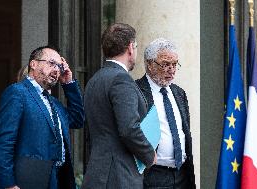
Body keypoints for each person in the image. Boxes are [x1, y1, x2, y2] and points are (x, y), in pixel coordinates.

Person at [0, 46, 85, 189]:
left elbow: (78, 119)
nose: (56, 69)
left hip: (57, 179)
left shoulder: (55, 104)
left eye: (59, 66)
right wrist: (8, 184)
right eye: (51, 63)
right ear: (33, 64)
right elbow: (4, 142)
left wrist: (69, 84)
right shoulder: (17, 93)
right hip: (28, 179)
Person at [82, 23, 156, 189]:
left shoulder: (94, 80)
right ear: (130, 47)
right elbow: (129, 129)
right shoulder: (121, 79)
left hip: (97, 174)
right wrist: (149, 154)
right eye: (136, 46)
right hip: (119, 177)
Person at [136, 38, 195, 189]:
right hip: (153, 176)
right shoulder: (135, 91)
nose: (171, 69)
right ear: (149, 64)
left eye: (175, 64)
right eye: (165, 64)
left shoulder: (179, 93)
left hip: (182, 175)